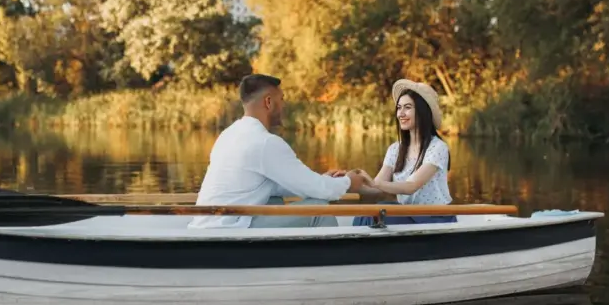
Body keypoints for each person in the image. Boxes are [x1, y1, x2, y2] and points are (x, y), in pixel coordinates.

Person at [188, 74, 367, 229]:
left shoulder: (229, 134)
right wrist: (349, 182)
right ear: (268, 102)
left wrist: (323, 180)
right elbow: (319, 191)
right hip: (227, 229)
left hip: (211, 225)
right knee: (319, 208)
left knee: (274, 201)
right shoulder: (265, 142)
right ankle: (333, 264)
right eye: (282, 99)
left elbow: (273, 186)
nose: (284, 106)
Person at [350, 79, 455, 226]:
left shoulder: (437, 147)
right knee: (365, 213)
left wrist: (374, 183)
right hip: (407, 215)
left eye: (407, 107)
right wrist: (348, 182)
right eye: (399, 108)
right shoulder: (395, 149)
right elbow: (374, 189)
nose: (401, 113)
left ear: (422, 111)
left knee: (380, 211)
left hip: (434, 218)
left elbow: (410, 186)